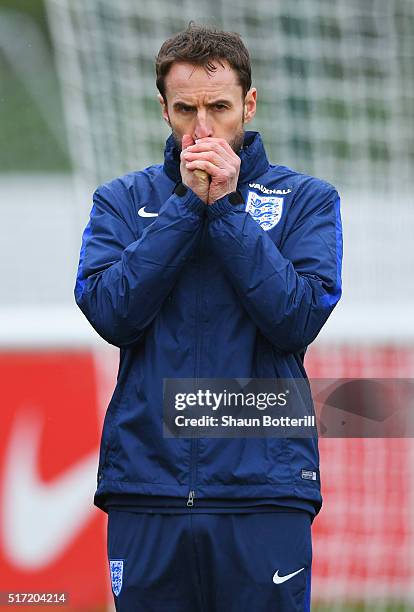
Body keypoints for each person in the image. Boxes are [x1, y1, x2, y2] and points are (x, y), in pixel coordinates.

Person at [74, 23, 342, 612]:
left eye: (219, 107)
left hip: (264, 490)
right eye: (185, 109)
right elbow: (111, 312)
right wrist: (184, 208)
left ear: (248, 103)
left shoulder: (307, 201)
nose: (202, 128)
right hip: (147, 486)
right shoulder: (121, 201)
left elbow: (297, 318)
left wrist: (225, 209)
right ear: (163, 110)